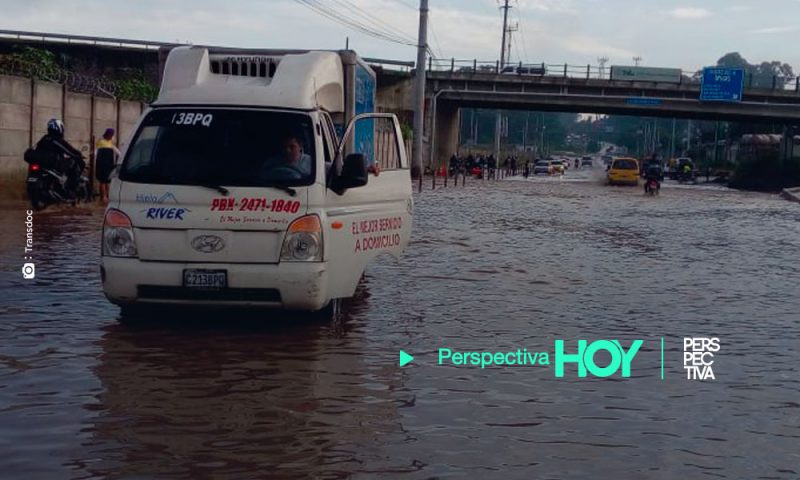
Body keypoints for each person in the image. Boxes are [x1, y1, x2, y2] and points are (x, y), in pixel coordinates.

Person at [34, 119, 84, 199]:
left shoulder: (44, 139)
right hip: (54, 163)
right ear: (59, 128)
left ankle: (59, 187)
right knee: (74, 164)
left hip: (42, 163)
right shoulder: (56, 140)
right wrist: (78, 155)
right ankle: (70, 189)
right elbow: (69, 150)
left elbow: (35, 148)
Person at [95, 128, 122, 204]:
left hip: (108, 165)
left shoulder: (110, 142)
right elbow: (96, 152)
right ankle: (103, 197)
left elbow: (116, 151)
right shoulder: (101, 142)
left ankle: (106, 197)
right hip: (102, 165)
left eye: (112, 135)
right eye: (110, 135)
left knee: (107, 182)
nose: (111, 136)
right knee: (103, 182)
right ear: (107, 135)